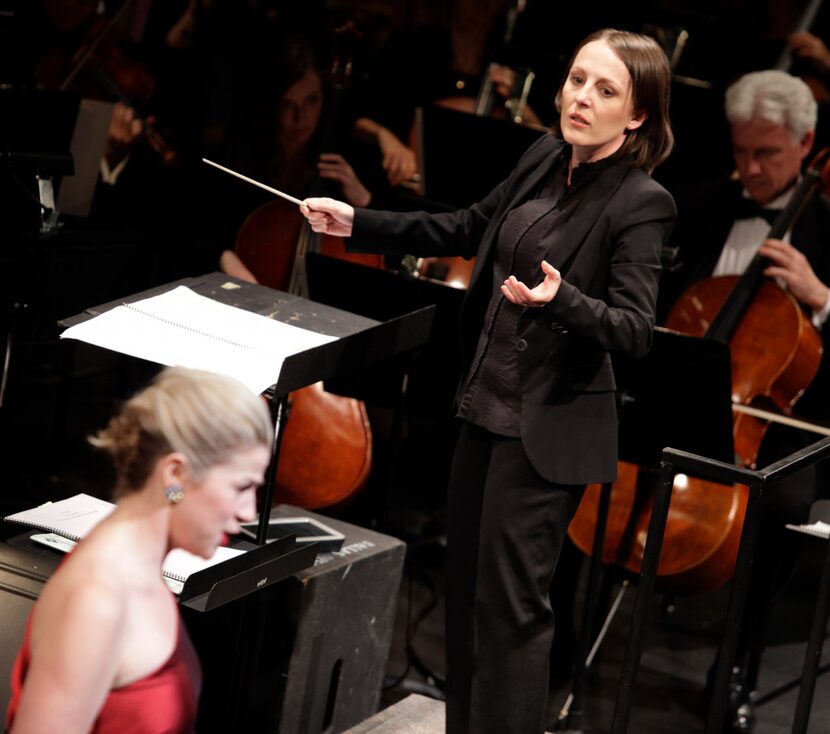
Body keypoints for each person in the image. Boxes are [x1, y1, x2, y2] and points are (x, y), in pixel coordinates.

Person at [302, 28, 676, 734]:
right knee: (469, 600)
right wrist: (358, 222)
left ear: (636, 116)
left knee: (511, 618)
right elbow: (467, 225)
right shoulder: (543, 155)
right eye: (575, 80)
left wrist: (560, 299)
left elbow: (633, 329)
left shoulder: (641, 201)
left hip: (544, 432)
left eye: (605, 91)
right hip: (485, 409)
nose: (581, 99)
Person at [663, 69, 830, 734]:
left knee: (782, 505)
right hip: (685, 398)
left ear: (806, 143)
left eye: (767, 154)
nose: (751, 169)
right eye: (740, 152)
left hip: (779, 422)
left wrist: (821, 299)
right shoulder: (701, 205)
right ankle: (559, 642)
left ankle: (734, 665)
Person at [5, 367, 273, 733]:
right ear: (175, 475)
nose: (248, 512)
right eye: (241, 487)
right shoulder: (95, 601)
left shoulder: (143, 566)